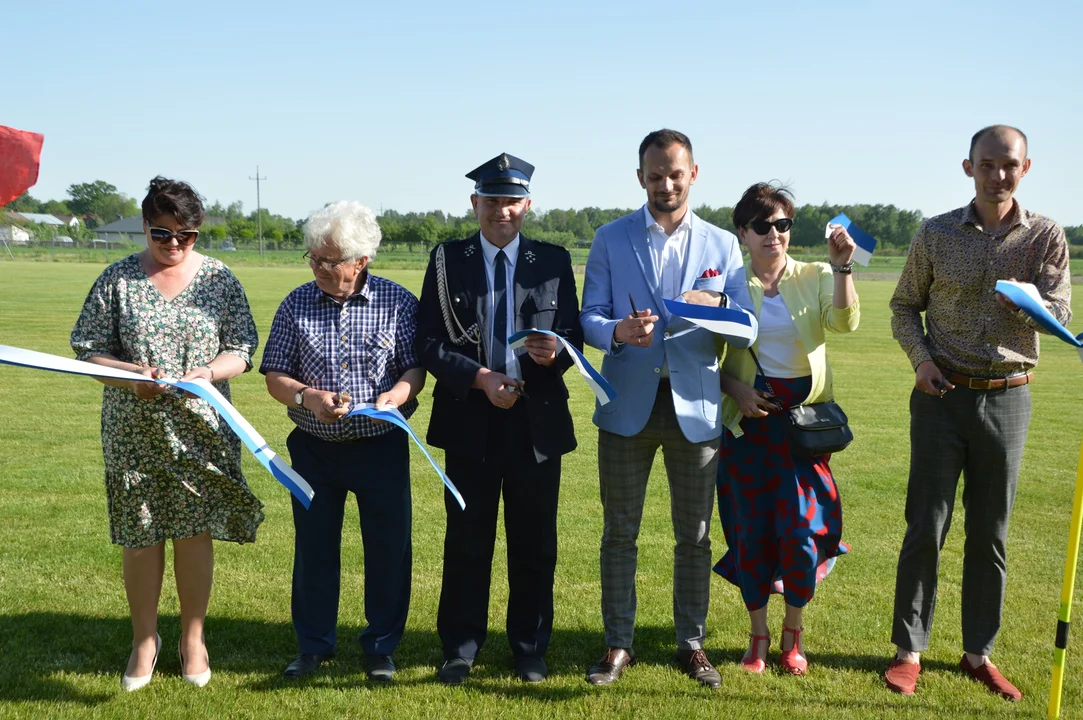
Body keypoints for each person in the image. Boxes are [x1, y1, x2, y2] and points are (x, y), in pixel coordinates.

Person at [885, 125, 1072, 701]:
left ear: (1026, 167)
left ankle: (977, 654)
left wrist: (1029, 304)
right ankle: (908, 651)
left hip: (1009, 395)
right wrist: (920, 361)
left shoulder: (1045, 236)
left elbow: (1060, 312)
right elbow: (902, 308)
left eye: (1008, 165)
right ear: (968, 168)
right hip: (940, 396)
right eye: (986, 164)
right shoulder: (936, 233)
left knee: (990, 533)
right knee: (926, 527)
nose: (998, 174)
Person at [579, 129, 757, 689]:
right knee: (619, 532)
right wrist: (618, 332)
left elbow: (746, 327)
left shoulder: (723, 245)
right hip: (628, 404)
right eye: (655, 176)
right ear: (640, 178)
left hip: (697, 408)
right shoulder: (610, 238)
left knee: (696, 535)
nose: (665, 184)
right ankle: (617, 644)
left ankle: (693, 643)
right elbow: (589, 317)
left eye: (675, 174)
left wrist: (720, 303)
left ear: (694, 174)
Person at [70, 176, 263, 691]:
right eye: (162, 233)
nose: (174, 244)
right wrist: (131, 377)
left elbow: (242, 349)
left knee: (194, 532)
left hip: (201, 429)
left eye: (186, 235)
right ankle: (144, 639)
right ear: (144, 226)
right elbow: (87, 350)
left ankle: (193, 638)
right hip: (134, 427)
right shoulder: (117, 280)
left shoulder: (220, 280)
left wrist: (208, 373)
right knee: (141, 534)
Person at [415, 153, 582, 685]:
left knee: (534, 542)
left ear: (527, 204)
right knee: (467, 539)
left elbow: (573, 338)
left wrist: (551, 357)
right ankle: (460, 647)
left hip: (536, 423)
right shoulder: (447, 259)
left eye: (512, 201)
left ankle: (530, 648)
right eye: (492, 201)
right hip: (470, 418)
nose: (502, 212)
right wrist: (481, 378)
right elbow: (427, 344)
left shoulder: (554, 261)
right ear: (474, 204)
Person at [261, 201, 425, 683]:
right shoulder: (296, 303)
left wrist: (398, 393)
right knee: (314, 550)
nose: (320, 268)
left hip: (381, 446)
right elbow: (275, 374)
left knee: (388, 549)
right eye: (314, 258)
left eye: (331, 261)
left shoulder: (398, 302)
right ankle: (313, 645)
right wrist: (308, 396)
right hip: (313, 449)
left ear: (362, 260)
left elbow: (415, 367)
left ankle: (380, 648)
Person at [713, 182, 859, 676]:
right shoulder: (729, 283)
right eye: (762, 226)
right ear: (743, 233)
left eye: (782, 224)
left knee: (801, 532)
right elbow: (704, 357)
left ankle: (793, 636)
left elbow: (843, 322)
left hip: (801, 427)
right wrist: (736, 390)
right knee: (750, 533)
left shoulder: (815, 274)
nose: (773, 233)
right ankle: (757, 637)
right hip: (749, 427)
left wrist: (842, 268)